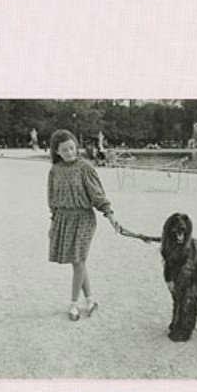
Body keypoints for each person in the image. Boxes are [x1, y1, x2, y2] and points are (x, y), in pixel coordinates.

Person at [47, 129, 120, 321]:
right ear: (57, 151)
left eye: (72, 148)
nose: (70, 152)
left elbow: (98, 195)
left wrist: (110, 215)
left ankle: (73, 304)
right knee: (78, 262)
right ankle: (90, 301)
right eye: (65, 150)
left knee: (78, 260)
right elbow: (52, 199)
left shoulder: (85, 168)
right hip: (63, 219)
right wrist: (53, 223)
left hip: (84, 219)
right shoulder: (54, 170)